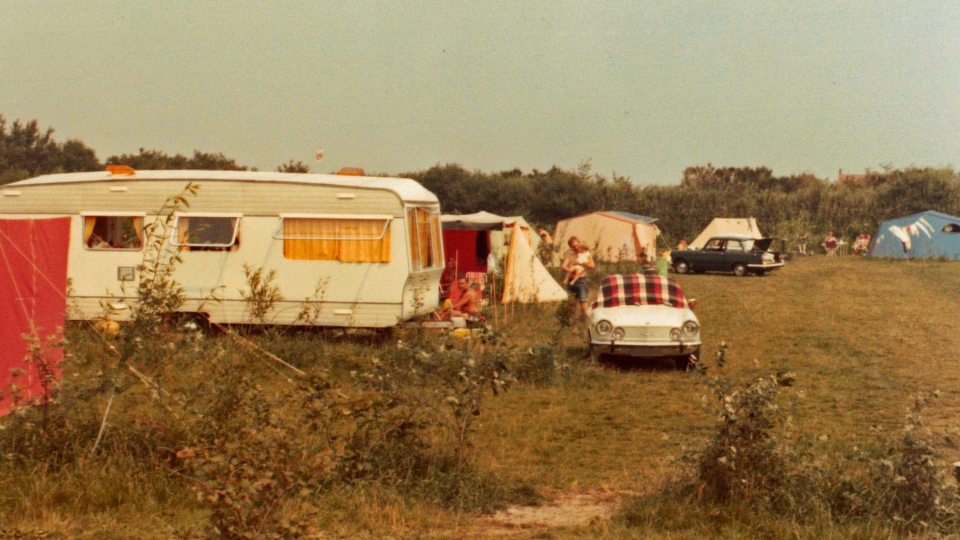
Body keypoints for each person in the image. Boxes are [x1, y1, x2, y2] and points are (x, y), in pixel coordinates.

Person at [560, 236, 595, 335]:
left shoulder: (586, 254)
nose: (575, 248)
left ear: (579, 243)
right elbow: (563, 267)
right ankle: (574, 328)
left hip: (582, 281)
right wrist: (571, 270)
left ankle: (586, 329)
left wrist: (582, 264)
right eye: (572, 247)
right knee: (572, 306)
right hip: (571, 280)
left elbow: (592, 266)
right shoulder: (570, 255)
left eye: (576, 245)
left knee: (584, 307)